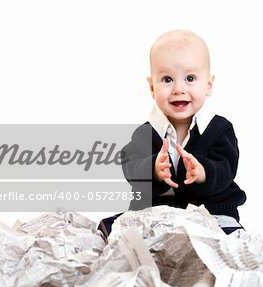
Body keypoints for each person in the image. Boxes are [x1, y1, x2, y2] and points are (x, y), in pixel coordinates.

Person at [98, 30, 246, 237]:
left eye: (190, 78)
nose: (178, 88)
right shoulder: (145, 133)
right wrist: (154, 169)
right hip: (156, 213)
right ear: (152, 87)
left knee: (231, 234)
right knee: (108, 227)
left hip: (210, 212)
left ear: (208, 85)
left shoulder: (219, 128)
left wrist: (203, 172)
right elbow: (130, 168)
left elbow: (226, 169)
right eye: (167, 79)